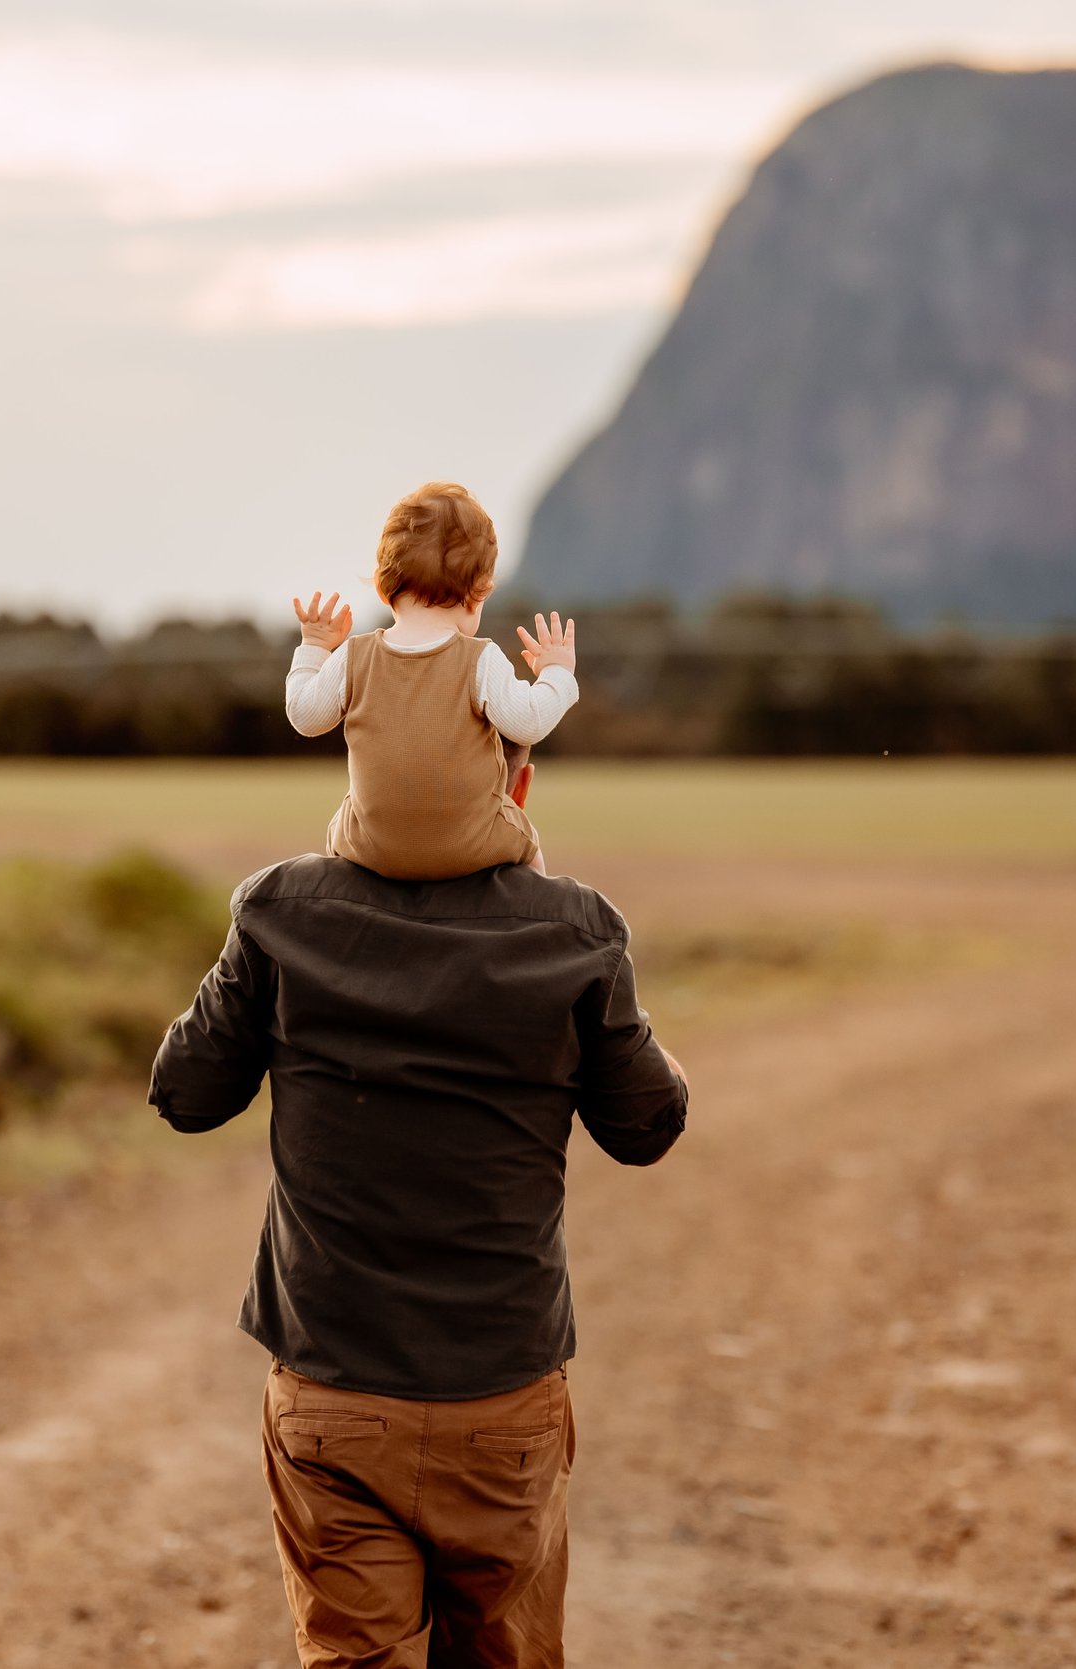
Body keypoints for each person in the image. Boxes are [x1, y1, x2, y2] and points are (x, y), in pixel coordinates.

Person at [149, 738, 688, 1668]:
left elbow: (185, 1094)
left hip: (332, 1392)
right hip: (503, 1400)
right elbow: (649, 1125)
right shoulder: (575, 929)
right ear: (518, 785)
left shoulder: (279, 910)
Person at [286, 481, 579, 881]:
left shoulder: (353, 656)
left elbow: (304, 716)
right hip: (472, 846)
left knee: (343, 819)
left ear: (385, 590)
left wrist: (315, 648)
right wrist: (557, 673)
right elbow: (528, 722)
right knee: (531, 851)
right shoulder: (480, 658)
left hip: (371, 848)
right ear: (477, 595)